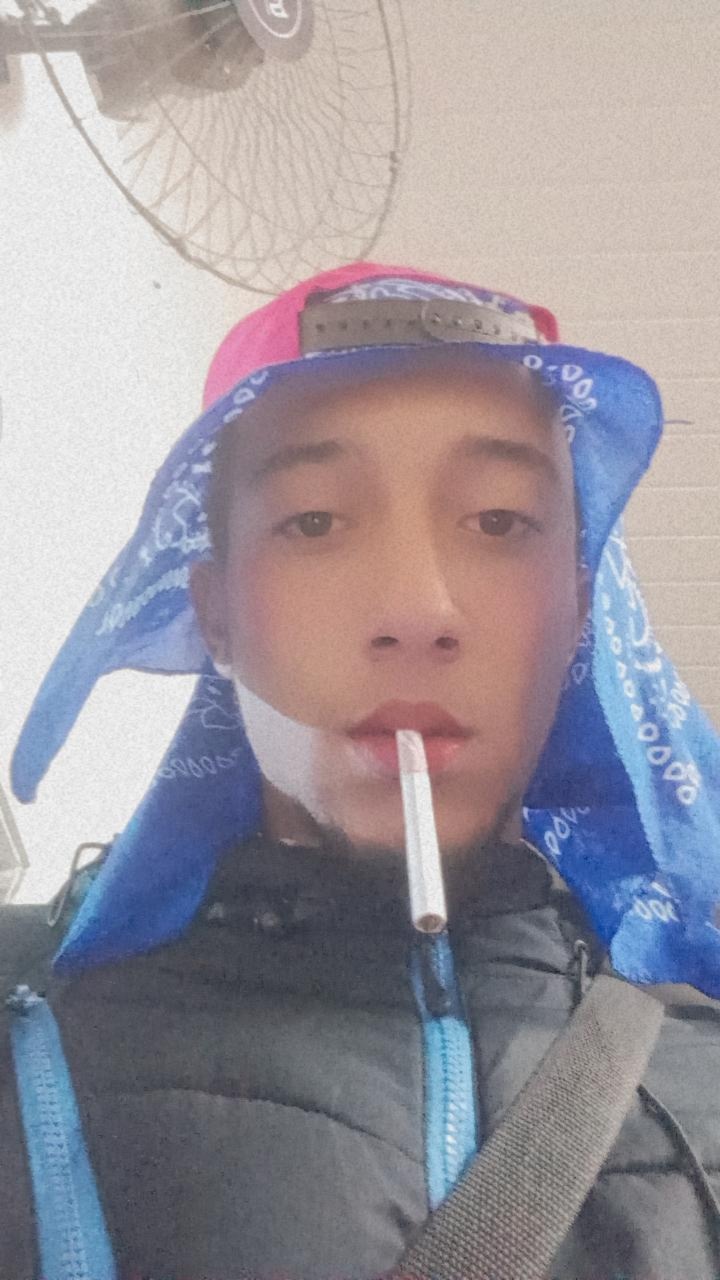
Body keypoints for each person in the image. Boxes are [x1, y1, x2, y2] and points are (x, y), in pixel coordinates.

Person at [2, 262, 720, 1280]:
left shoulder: (701, 1064)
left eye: (500, 522)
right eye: (315, 522)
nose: (419, 610)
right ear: (215, 614)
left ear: (580, 610)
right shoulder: (29, 1039)